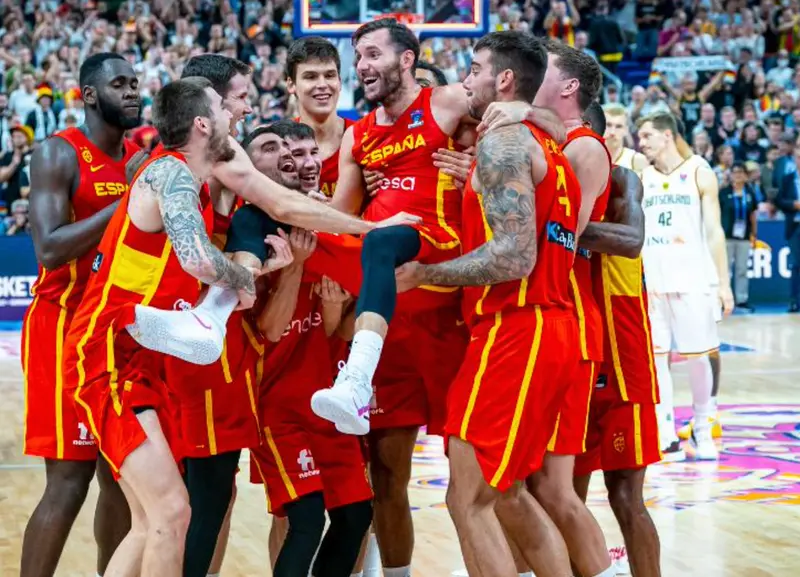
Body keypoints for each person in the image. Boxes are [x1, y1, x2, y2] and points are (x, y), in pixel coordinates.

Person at [63, 77, 416, 577]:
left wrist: (371, 227)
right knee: (173, 513)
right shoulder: (172, 174)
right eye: (228, 108)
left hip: (139, 352)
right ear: (205, 122)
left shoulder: (213, 169)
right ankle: (208, 317)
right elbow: (197, 258)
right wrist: (242, 280)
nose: (239, 114)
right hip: (108, 348)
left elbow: (288, 205)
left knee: (152, 520)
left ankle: (209, 316)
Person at [394, 30, 580, 577]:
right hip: (546, 327)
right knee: (511, 495)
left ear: (503, 79)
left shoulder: (504, 142)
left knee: (468, 498)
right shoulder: (538, 139)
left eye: (473, 68)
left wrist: (427, 273)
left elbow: (513, 257)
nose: (464, 79)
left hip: (517, 328)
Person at [493, 38, 614, 577]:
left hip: (560, 315)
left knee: (546, 487)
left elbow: (566, 232)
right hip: (550, 318)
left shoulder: (582, 146)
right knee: (535, 484)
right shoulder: (547, 140)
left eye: (548, 71)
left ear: (567, 87)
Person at [20, 52, 142, 577]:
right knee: (69, 480)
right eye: (120, 84)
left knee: (121, 476)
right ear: (90, 94)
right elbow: (48, 248)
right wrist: (131, 198)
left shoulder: (141, 156)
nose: (133, 91)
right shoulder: (58, 153)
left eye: (136, 83)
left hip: (117, 331)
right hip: (63, 325)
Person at [239, 120, 374, 577]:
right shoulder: (255, 230)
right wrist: (294, 267)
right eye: (285, 153)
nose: (300, 162)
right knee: (304, 519)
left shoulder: (333, 229)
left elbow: (342, 332)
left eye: (306, 152)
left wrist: (338, 315)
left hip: (329, 401)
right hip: (279, 406)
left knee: (356, 515)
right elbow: (270, 331)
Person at [574, 102, 663, 577]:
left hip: (623, 356)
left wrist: (553, 225)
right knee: (565, 494)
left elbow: (629, 240)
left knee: (626, 495)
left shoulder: (625, 180)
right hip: (572, 353)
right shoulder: (551, 178)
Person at [637, 111, 733, 461]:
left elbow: (714, 232)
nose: (641, 142)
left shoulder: (698, 171)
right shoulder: (642, 176)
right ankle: (665, 434)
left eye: (646, 136)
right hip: (653, 280)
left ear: (666, 136)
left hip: (693, 279)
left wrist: (723, 284)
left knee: (697, 357)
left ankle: (703, 429)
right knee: (657, 359)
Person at [719, 161, 758, 312]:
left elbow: (753, 215)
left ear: (745, 175)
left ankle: (742, 299)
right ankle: (724, 299)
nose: (738, 175)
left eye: (741, 172)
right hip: (726, 236)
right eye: (735, 172)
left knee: (742, 269)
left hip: (744, 237)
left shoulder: (750, 193)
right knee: (725, 270)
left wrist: (754, 234)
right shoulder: (723, 192)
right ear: (731, 175)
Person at [775, 145, 800, 313]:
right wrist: (794, 205)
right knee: (797, 265)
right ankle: (794, 300)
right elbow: (779, 201)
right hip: (795, 227)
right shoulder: (788, 178)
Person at [602, 103, 649, 175]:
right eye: (608, 125)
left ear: (626, 130)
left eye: (618, 126)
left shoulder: (637, 160)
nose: (612, 132)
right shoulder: (587, 159)